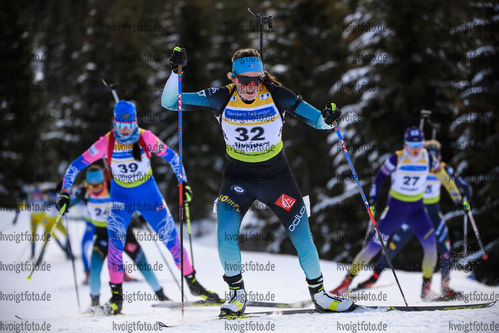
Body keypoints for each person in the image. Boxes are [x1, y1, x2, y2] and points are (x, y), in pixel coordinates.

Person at [161, 47, 354, 315]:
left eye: (256, 80)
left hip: (277, 178)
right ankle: (237, 294)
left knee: (302, 237)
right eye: (243, 80)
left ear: (262, 77)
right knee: (226, 235)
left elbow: (319, 121)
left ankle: (320, 295)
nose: (250, 86)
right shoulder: (221, 97)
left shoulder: (278, 95)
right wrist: (175, 73)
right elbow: (171, 103)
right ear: (233, 77)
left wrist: (329, 118)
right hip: (238, 179)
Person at [56, 100, 220, 314]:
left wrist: (183, 183)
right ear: (114, 122)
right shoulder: (106, 142)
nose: (125, 128)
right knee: (115, 245)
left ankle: (194, 285)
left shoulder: (146, 138)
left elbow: (173, 158)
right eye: (120, 123)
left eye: (129, 123)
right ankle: (116, 299)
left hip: (148, 195)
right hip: (120, 198)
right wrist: (65, 193)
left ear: (135, 121)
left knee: (171, 239)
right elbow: (74, 166)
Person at [330, 127, 469, 300]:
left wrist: (458, 199)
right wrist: (372, 201)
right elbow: (378, 181)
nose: (416, 148)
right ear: (406, 144)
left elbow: (446, 180)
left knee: (431, 248)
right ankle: (345, 283)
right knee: (373, 247)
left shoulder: (428, 159)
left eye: (419, 143)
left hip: (417, 211)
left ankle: (426, 290)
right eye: (412, 144)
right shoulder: (397, 158)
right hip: (395, 211)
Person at [70, 165, 172, 312]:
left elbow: (132, 198)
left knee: (143, 265)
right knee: (94, 269)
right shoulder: (84, 192)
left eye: (98, 184)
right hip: (103, 236)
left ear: (103, 181)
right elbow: (67, 202)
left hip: (124, 234)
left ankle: (162, 297)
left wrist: (142, 214)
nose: (95, 188)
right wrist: (64, 201)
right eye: (91, 185)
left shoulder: (113, 188)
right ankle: (94, 304)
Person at [13, 185, 49, 259]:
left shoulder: (43, 197)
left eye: (38, 194)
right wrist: (16, 217)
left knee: (46, 235)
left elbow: (49, 205)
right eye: (35, 194)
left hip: (42, 218)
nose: (37, 196)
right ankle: (33, 253)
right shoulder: (29, 198)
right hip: (34, 219)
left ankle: (41, 253)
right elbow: (20, 206)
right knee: (33, 235)